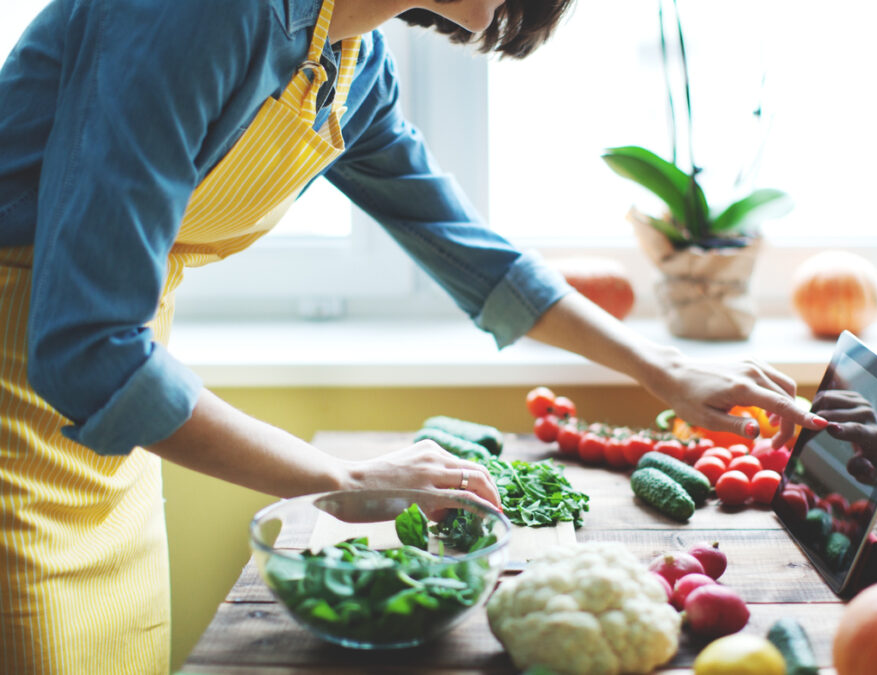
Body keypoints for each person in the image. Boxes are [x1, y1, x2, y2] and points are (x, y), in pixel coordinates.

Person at [0, 0, 828, 672]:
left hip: (110, 430)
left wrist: (667, 368)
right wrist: (346, 475)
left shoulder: (347, 61)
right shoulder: (201, 13)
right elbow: (86, 344)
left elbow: (471, 253)